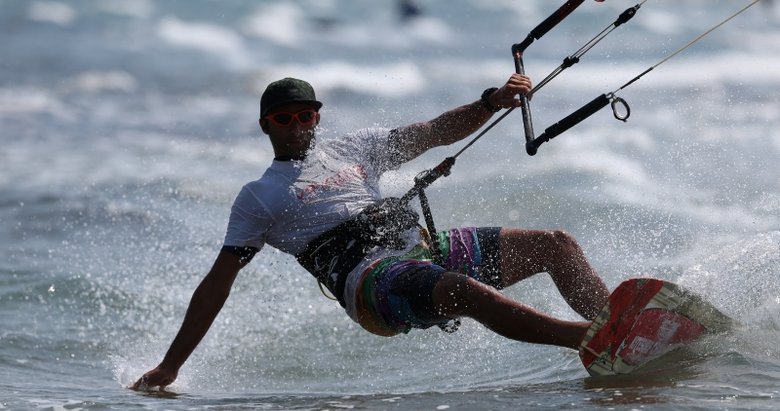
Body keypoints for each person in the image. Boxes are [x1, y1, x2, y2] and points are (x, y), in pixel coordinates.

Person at [131, 74, 610, 391]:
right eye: (284, 118)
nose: (297, 125)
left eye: (306, 115)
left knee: (556, 245)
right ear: (265, 126)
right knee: (465, 290)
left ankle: (622, 324)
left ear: (317, 116)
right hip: (370, 286)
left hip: (422, 251)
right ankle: (594, 340)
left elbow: (436, 131)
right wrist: (171, 365)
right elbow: (218, 284)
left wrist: (491, 101)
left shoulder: (356, 147)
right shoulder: (260, 197)